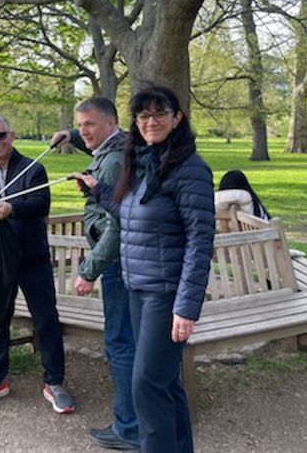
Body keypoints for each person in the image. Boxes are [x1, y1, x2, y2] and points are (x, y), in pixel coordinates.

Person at [74, 84, 214, 453]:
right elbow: (134, 217)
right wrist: (100, 191)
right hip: (137, 286)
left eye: (159, 113)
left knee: (147, 385)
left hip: (164, 294)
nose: (151, 121)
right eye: (143, 115)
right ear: (135, 122)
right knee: (165, 383)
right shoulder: (145, 162)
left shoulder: (189, 169)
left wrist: (186, 306)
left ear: (176, 118)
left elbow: (201, 241)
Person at [0, 114, 75, 414]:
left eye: (0, 135)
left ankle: (55, 382)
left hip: (32, 258)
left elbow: (40, 204)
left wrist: (13, 208)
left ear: (12, 135)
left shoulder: (33, 168)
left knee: (46, 320)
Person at [51, 97, 139, 451]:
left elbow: (118, 226)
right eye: (81, 124)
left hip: (118, 262)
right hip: (129, 261)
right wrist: (71, 134)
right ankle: (140, 422)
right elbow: (98, 140)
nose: (84, 131)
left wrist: (88, 271)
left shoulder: (114, 161)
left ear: (111, 122)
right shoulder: (117, 146)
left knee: (120, 344)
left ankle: (130, 429)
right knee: (128, 342)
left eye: (90, 124)